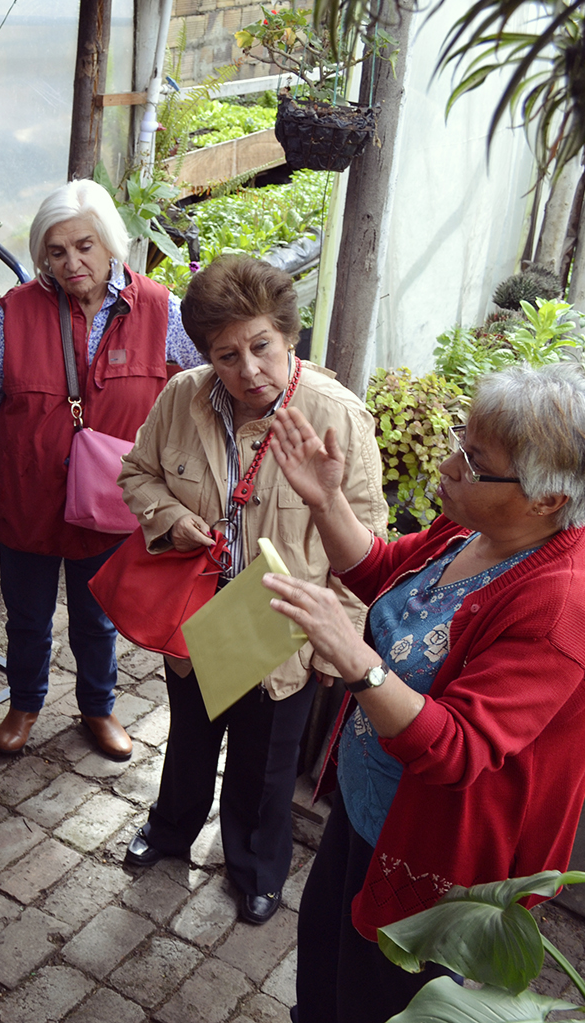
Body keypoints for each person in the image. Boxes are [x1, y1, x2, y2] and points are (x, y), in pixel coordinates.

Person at [262, 363, 585, 1023]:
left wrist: (355, 659)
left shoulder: (566, 606)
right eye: (462, 441)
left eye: (473, 459)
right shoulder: (482, 525)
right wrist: (326, 501)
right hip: (370, 802)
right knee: (323, 968)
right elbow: (381, 571)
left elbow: (457, 749)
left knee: (376, 999)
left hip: (437, 845)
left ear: (545, 499)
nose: (449, 464)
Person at [116, 254, 386, 925]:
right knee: (188, 740)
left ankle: (256, 868)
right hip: (199, 610)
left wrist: (335, 647)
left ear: (287, 335)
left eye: (260, 346)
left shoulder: (336, 416)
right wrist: (172, 518)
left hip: (282, 625)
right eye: (226, 355)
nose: (248, 371)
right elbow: (137, 474)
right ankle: (171, 830)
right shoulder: (183, 396)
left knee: (265, 766)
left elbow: (368, 545)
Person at [0, 179, 206, 761]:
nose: (72, 262)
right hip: (28, 494)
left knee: (98, 618)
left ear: (111, 245)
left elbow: (206, 380)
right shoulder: (17, 311)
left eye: (84, 246)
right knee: (27, 614)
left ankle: (98, 707)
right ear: (42, 255)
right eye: (56, 251)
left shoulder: (159, 308)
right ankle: (24, 703)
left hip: (110, 498)